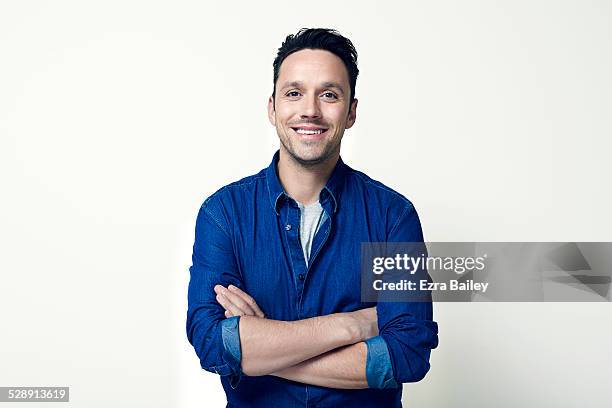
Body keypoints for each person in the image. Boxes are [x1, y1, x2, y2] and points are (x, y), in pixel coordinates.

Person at [186, 28, 438, 407]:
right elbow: (211, 343)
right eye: (294, 93)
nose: (310, 110)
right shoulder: (223, 214)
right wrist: (353, 326)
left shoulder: (393, 217)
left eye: (330, 95)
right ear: (272, 108)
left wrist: (259, 349)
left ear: (351, 111)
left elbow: (407, 354)